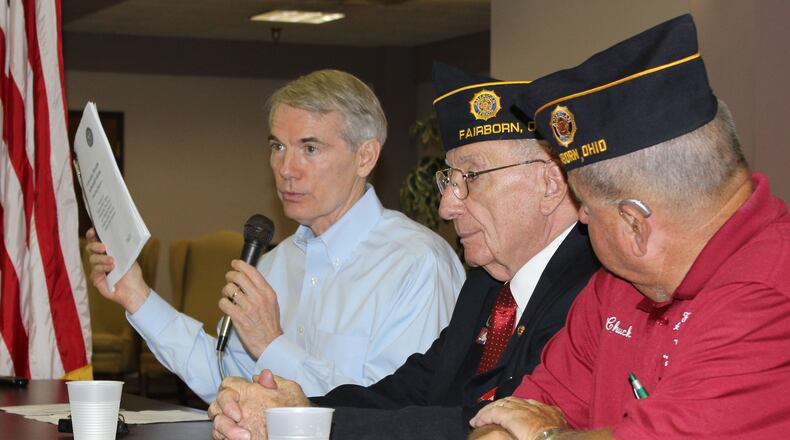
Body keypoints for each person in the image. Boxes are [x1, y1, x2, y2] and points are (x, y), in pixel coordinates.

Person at [207, 62, 601, 440]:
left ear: (550, 183)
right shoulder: (488, 284)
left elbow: (490, 427)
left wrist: (314, 427)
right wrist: (299, 410)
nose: (447, 206)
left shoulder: (592, 290)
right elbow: (411, 391)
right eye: (449, 179)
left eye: (471, 177)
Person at [468, 14, 790, 440]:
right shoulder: (616, 284)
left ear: (634, 224)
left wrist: (547, 436)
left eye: (585, 206)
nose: (580, 217)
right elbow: (506, 420)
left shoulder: (770, 296)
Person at [85, 69, 465, 402]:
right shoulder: (275, 262)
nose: (286, 169)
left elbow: (397, 414)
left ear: (364, 157)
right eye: (278, 147)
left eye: (310, 148)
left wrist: (272, 344)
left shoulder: (417, 264)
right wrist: (135, 295)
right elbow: (222, 374)